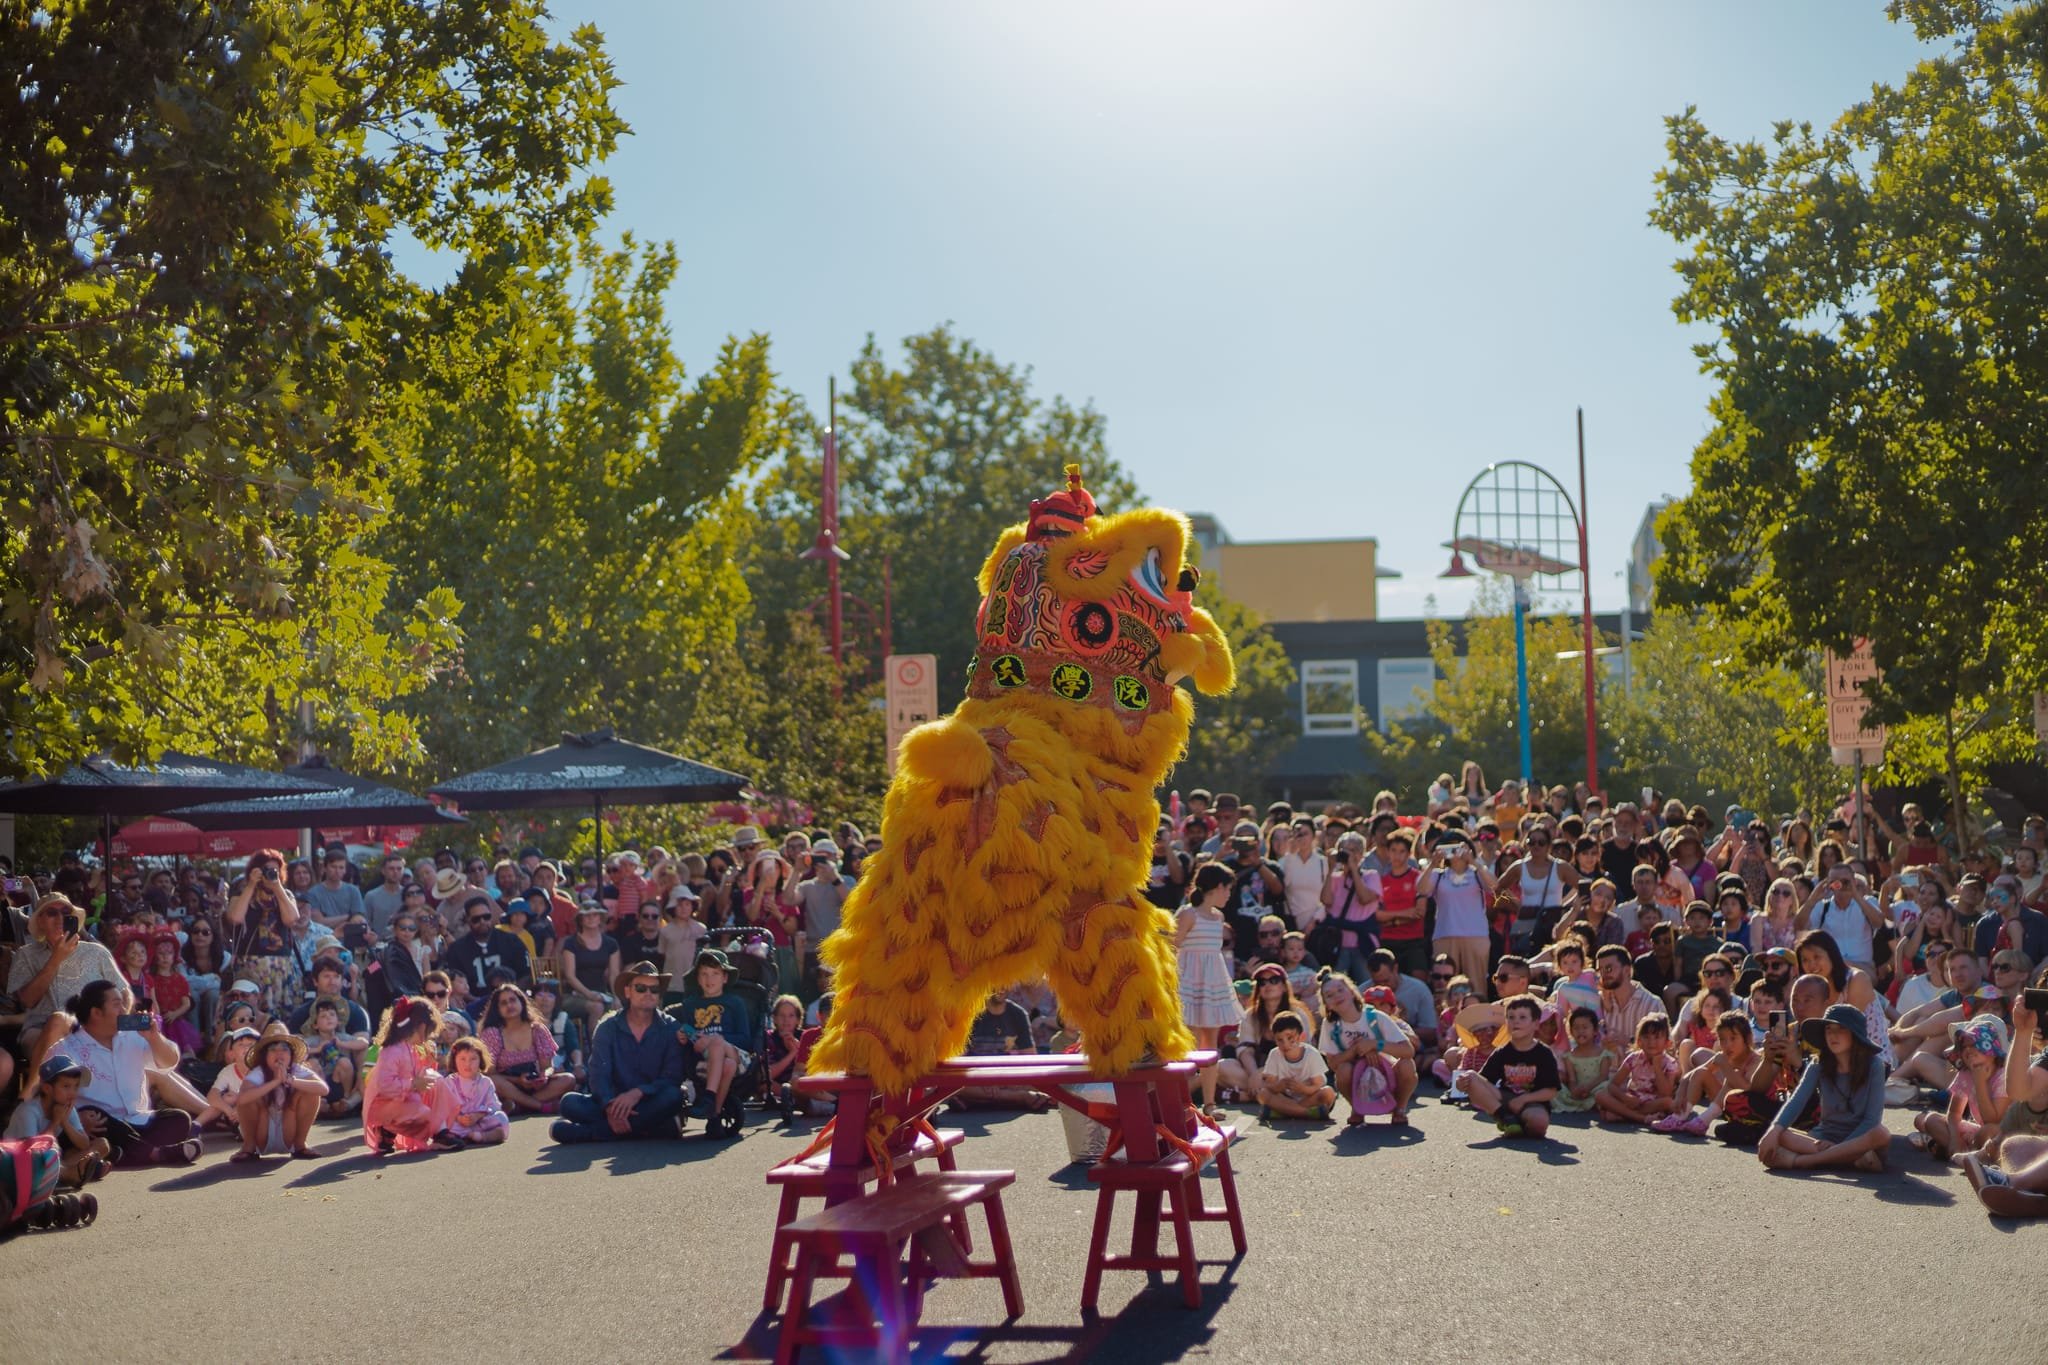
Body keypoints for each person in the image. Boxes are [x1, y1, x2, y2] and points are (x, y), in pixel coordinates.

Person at [62, 979, 201, 1166]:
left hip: (138, 1119)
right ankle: (156, 1154)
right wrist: (75, 1118)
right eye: (117, 1005)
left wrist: (155, 1038)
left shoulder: (134, 1036)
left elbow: (169, 1062)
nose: (124, 1010)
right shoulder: (70, 1047)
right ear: (96, 1013)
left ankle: (122, 1155)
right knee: (94, 1115)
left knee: (180, 1119)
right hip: (102, 1124)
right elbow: (54, 1091)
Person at [551, 960, 689, 1144]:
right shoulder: (607, 1027)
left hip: (651, 1100)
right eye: (641, 988)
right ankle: (652, 1129)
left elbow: (672, 1076)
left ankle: (589, 1133)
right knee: (569, 1103)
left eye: (654, 989)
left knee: (674, 1095)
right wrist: (610, 1106)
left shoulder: (671, 1027)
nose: (648, 993)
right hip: (614, 1102)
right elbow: (598, 1075)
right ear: (627, 991)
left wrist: (638, 1093)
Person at [1759, 1002, 1893, 1172]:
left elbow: (1872, 1120)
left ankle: (1804, 1162)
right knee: (1782, 1135)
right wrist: (1773, 1131)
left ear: (1855, 1035)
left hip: (1860, 1138)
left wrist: (1844, 1147)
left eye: (1840, 1029)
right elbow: (1796, 1101)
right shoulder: (1818, 1064)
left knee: (1881, 1134)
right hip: (1824, 1137)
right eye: (1829, 1029)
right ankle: (1846, 1161)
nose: (1833, 1035)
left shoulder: (1874, 1065)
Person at [8, 895, 120, 1049]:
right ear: (40, 921)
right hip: (42, 1027)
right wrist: (56, 958)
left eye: (66, 913)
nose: (60, 918)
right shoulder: (25, 954)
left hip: (96, 1026)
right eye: (52, 913)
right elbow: (27, 1001)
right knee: (56, 1033)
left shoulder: (97, 952)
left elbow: (124, 991)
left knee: (142, 1035)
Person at [1177, 862, 1244, 1121]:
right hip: (1189, 984)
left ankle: (1209, 1103)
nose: (1229, 894)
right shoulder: (1188, 914)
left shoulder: (1219, 917)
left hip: (1213, 984)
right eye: (1228, 889)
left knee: (1210, 1046)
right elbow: (1172, 946)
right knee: (1189, 1044)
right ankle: (1183, 1104)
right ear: (1218, 887)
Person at [669, 949, 759, 1135]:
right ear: (698, 978)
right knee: (727, 1064)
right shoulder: (691, 1004)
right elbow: (690, 1031)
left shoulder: (735, 1002)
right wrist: (685, 1036)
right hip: (709, 1061)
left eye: (715, 974)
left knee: (718, 1043)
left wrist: (714, 1040)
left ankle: (709, 1097)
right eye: (704, 974)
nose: (709, 979)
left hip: (737, 1053)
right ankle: (715, 1115)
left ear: (725, 977)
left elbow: (745, 1039)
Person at [363, 995, 462, 1154]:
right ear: (421, 1027)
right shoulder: (392, 1051)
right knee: (423, 1115)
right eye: (428, 1031)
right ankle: (386, 1128)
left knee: (437, 1081)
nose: (429, 1036)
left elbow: (416, 1075)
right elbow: (385, 1085)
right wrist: (414, 1084)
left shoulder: (410, 1047)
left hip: (402, 1098)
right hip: (385, 1105)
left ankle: (440, 1133)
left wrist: (424, 1078)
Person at [1316, 975, 1415, 1126]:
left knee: (1407, 1065)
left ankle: (1399, 1109)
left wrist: (1375, 1045)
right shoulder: (1331, 1025)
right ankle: (1357, 1108)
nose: (1336, 996)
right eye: (1329, 995)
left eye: (1340, 990)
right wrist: (1356, 1049)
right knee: (1342, 1070)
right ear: (1327, 1005)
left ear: (1351, 992)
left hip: (1385, 1071)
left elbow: (1408, 1050)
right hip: (1358, 1075)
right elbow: (1333, 1063)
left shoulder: (1375, 1017)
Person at [4, 1054, 113, 1187]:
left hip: (50, 1159)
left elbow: (84, 1144)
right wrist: (55, 1122)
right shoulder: (28, 1111)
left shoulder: (66, 1107)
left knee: (102, 1144)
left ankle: (68, 1171)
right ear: (47, 1088)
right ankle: (73, 1173)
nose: (73, 1093)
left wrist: (64, 1122)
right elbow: (33, 1152)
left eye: (76, 1086)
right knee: (40, 1161)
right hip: (16, 1162)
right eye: (66, 1086)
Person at [1912, 1016, 2008, 1163]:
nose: (1968, 1050)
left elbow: (1993, 1120)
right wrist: (1955, 1139)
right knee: (1931, 1120)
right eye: (1964, 1047)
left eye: (1975, 1045)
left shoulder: (2003, 1076)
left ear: (1992, 1050)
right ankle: (1963, 1153)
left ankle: (1969, 1156)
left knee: (1989, 1130)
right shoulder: (1966, 1073)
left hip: (2001, 1134)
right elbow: (1954, 1113)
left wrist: (1979, 1082)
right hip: (1978, 1133)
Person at [1465, 993, 1561, 1139]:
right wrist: (1463, 1084)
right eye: (1511, 1017)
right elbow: (1483, 1081)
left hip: (1532, 1103)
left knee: (1539, 1124)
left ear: (1536, 1024)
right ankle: (1505, 1118)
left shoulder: (1544, 1053)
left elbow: (1551, 1091)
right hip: (1504, 1100)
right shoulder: (1502, 1051)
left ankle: (1519, 1124)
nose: (1516, 1022)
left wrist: (1523, 1099)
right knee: (1470, 1077)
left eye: (1522, 1017)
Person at [230, 1021, 328, 1162]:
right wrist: (275, 1082)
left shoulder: (296, 1069)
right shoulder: (258, 1072)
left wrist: (290, 1080)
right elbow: (241, 1100)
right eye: (273, 1049)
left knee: (309, 1091)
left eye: (284, 1049)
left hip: (289, 1128)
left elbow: (323, 1089)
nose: (279, 1053)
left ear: (291, 1054)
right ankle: (248, 1147)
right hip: (262, 1131)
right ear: (265, 1055)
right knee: (251, 1097)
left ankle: (300, 1145)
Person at [222, 848, 303, 1013]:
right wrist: (251, 884)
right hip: (249, 963)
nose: (271, 873)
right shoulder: (241, 894)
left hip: (279, 964)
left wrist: (277, 887)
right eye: (267, 869)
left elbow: (292, 919)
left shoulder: (285, 894)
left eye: (275, 870)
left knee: (280, 1013)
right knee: (248, 1011)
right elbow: (236, 918)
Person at [477, 983, 577, 1114]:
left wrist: (544, 1076)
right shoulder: (492, 1033)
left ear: (522, 1002)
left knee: (568, 1079)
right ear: (497, 1009)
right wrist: (518, 1081)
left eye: (513, 1000)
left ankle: (518, 1107)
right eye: (504, 1003)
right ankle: (539, 1106)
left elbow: (547, 1066)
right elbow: (489, 1073)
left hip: (535, 1085)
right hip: (507, 1085)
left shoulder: (537, 1029)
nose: (509, 1005)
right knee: (492, 1081)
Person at [1418, 833, 1495, 987]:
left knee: (1476, 984)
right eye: (1449, 847)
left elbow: (1494, 886)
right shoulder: (1438, 875)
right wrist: (1433, 864)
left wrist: (1474, 862)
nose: (1454, 852)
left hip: (1475, 936)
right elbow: (1421, 889)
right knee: (1444, 984)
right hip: (1445, 935)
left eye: (1458, 847)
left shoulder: (1476, 873)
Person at [1595, 1013, 1680, 1126]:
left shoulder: (1670, 1063)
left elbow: (1666, 1093)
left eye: (1657, 1037)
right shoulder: (1634, 1058)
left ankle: (1622, 1114)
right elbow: (1613, 1085)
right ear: (1639, 1041)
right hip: (1633, 1101)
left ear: (1667, 1043)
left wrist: (1657, 1066)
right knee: (1600, 1095)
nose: (1651, 1042)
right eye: (1646, 1037)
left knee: (1668, 1102)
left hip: (1653, 1104)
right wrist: (1625, 1098)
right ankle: (1641, 1118)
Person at [442, 893, 532, 998]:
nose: (482, 922)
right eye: (476, 919)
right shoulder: (457, 949)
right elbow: (456, 984)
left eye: (486, 917)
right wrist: (476, 1002)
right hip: (474, 1005)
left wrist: (512, 995)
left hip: (512, 999)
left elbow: (527, 975)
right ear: (468, 920)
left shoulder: (512, 941)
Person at [557, 901, 620, 1044]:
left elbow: (614, 973)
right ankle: (595, 1052)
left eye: (595, 915)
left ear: (601, 918)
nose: (591, 918)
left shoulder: (611, 943)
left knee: (620, 1007)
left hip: (601, 993)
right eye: (587, 916)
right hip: (574, 995)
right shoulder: (571, 943)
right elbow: (570, 976)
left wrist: (616, 996)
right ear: (580, 919)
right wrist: (588, 994)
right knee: (596, 1007)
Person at [1256, 1011, 1335, 1122]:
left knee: (1328, 1093)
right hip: (1286, 1098)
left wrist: (1303, 1089)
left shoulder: (1311, 1053)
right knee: (1263, 1094)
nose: (1285, 1044)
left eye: (1290, 1038)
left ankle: (1283, 1112)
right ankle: (1306, 1113)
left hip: (1309, 1097)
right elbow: (1270, 1085)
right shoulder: (1275, 1054)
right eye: (1280, 1040)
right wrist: (1280, 1086)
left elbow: (1318, 1084)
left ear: (1301, 1037)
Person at [442, 1037, 510, 1145]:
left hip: (481, 1122)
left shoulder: (485, 1082)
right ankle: (464, 1137)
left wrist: (478, 1115)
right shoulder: (449, 1082)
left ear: (481, 1060)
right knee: (445, 1125)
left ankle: (483, 1136)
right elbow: (444, 1107)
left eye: (473, 1059)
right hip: (458, 1123)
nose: (467, 1064)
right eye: (462, 1059)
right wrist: (458, 1117)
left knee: (500, 1117)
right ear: (454, 1060)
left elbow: (493, 1105)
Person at [194, 1025, 260, 1131]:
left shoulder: (263, 1070)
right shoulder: (228, 1071)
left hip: (260, 1114)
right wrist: (229, 1111)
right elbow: (212, 1095)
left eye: (251, 1044)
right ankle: (195, 1125)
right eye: (241, 1044)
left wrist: (240, 1103)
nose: (247, 1048)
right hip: (235, 1114)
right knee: (227, 1099)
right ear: (231, 1053)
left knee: (237, 1098)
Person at [1553, 1006, 1615, 1113]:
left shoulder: (1603, 1054)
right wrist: (1574, 1090)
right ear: (1571, 1031)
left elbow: (1603, 1076)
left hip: (1596, 1088)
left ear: (1595, 1031)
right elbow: (1572, 1079)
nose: (1580, 1031)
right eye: (1576, 1028)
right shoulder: (1569, 1056)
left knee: (1607, 1087)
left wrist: (1588, 1088)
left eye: (1585, 1027)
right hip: (1578, 1091)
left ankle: (1600, 1104)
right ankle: (1580, 1103)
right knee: (1556, 1089)